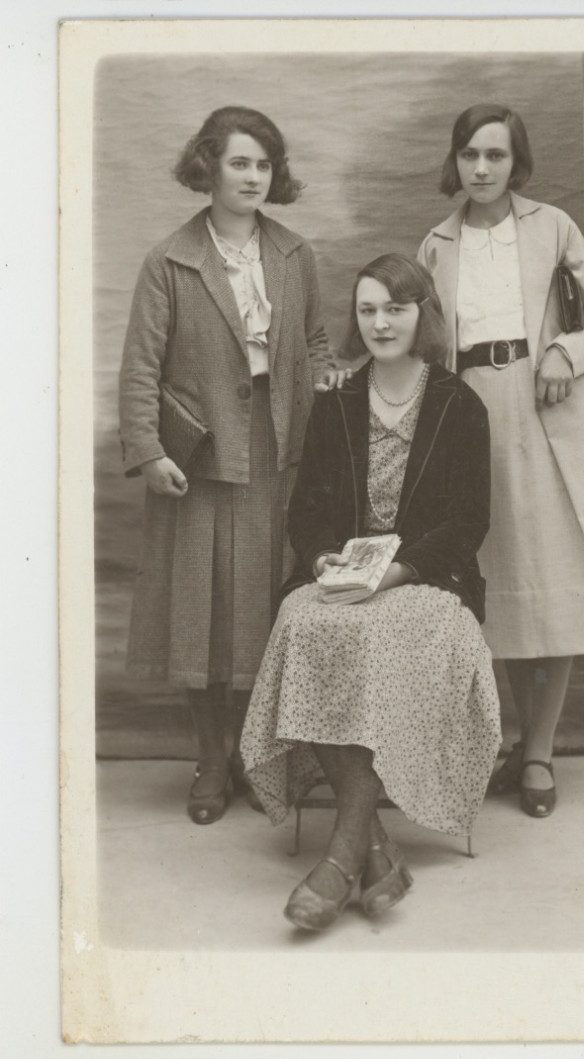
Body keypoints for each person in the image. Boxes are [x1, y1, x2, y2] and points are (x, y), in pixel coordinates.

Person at [239, 253, 502, 931]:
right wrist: (333, 560)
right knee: (304, 623)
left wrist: (396, 571)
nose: (381, 322)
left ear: (424, 315)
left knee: (390, 631)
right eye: (367, 309)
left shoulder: (459, 404)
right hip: (344, 575)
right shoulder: (338, 401)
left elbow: (467, 521)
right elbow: (309, 510)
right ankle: (375, 852)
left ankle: (344, 852)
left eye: (396, 307)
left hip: (427, 577)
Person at [417, 103, 584, 818]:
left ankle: (541, 750)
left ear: (516, 163)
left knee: (554, 583)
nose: (482, 169)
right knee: (507, 586)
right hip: (472, 415)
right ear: (454, 162)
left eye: (496, 155)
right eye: (470, 155)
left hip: (548, 409)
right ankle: (521, 739)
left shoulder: (552, 227)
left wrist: (564, 350)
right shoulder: (435, 244)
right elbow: (421, 338)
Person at [119, 106, 335, 826]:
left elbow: (316, 341)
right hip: (199, 455)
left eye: (264, 165)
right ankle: (210, 759)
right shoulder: (171, 259)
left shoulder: (295, 255)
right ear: (208, 165)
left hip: (277, 450)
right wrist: (148, 450)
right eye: (239, 162)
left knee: (257, 610)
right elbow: (141, 365)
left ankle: (250, 751)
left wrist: (328, 393)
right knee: (199, 613)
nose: (252, 177)